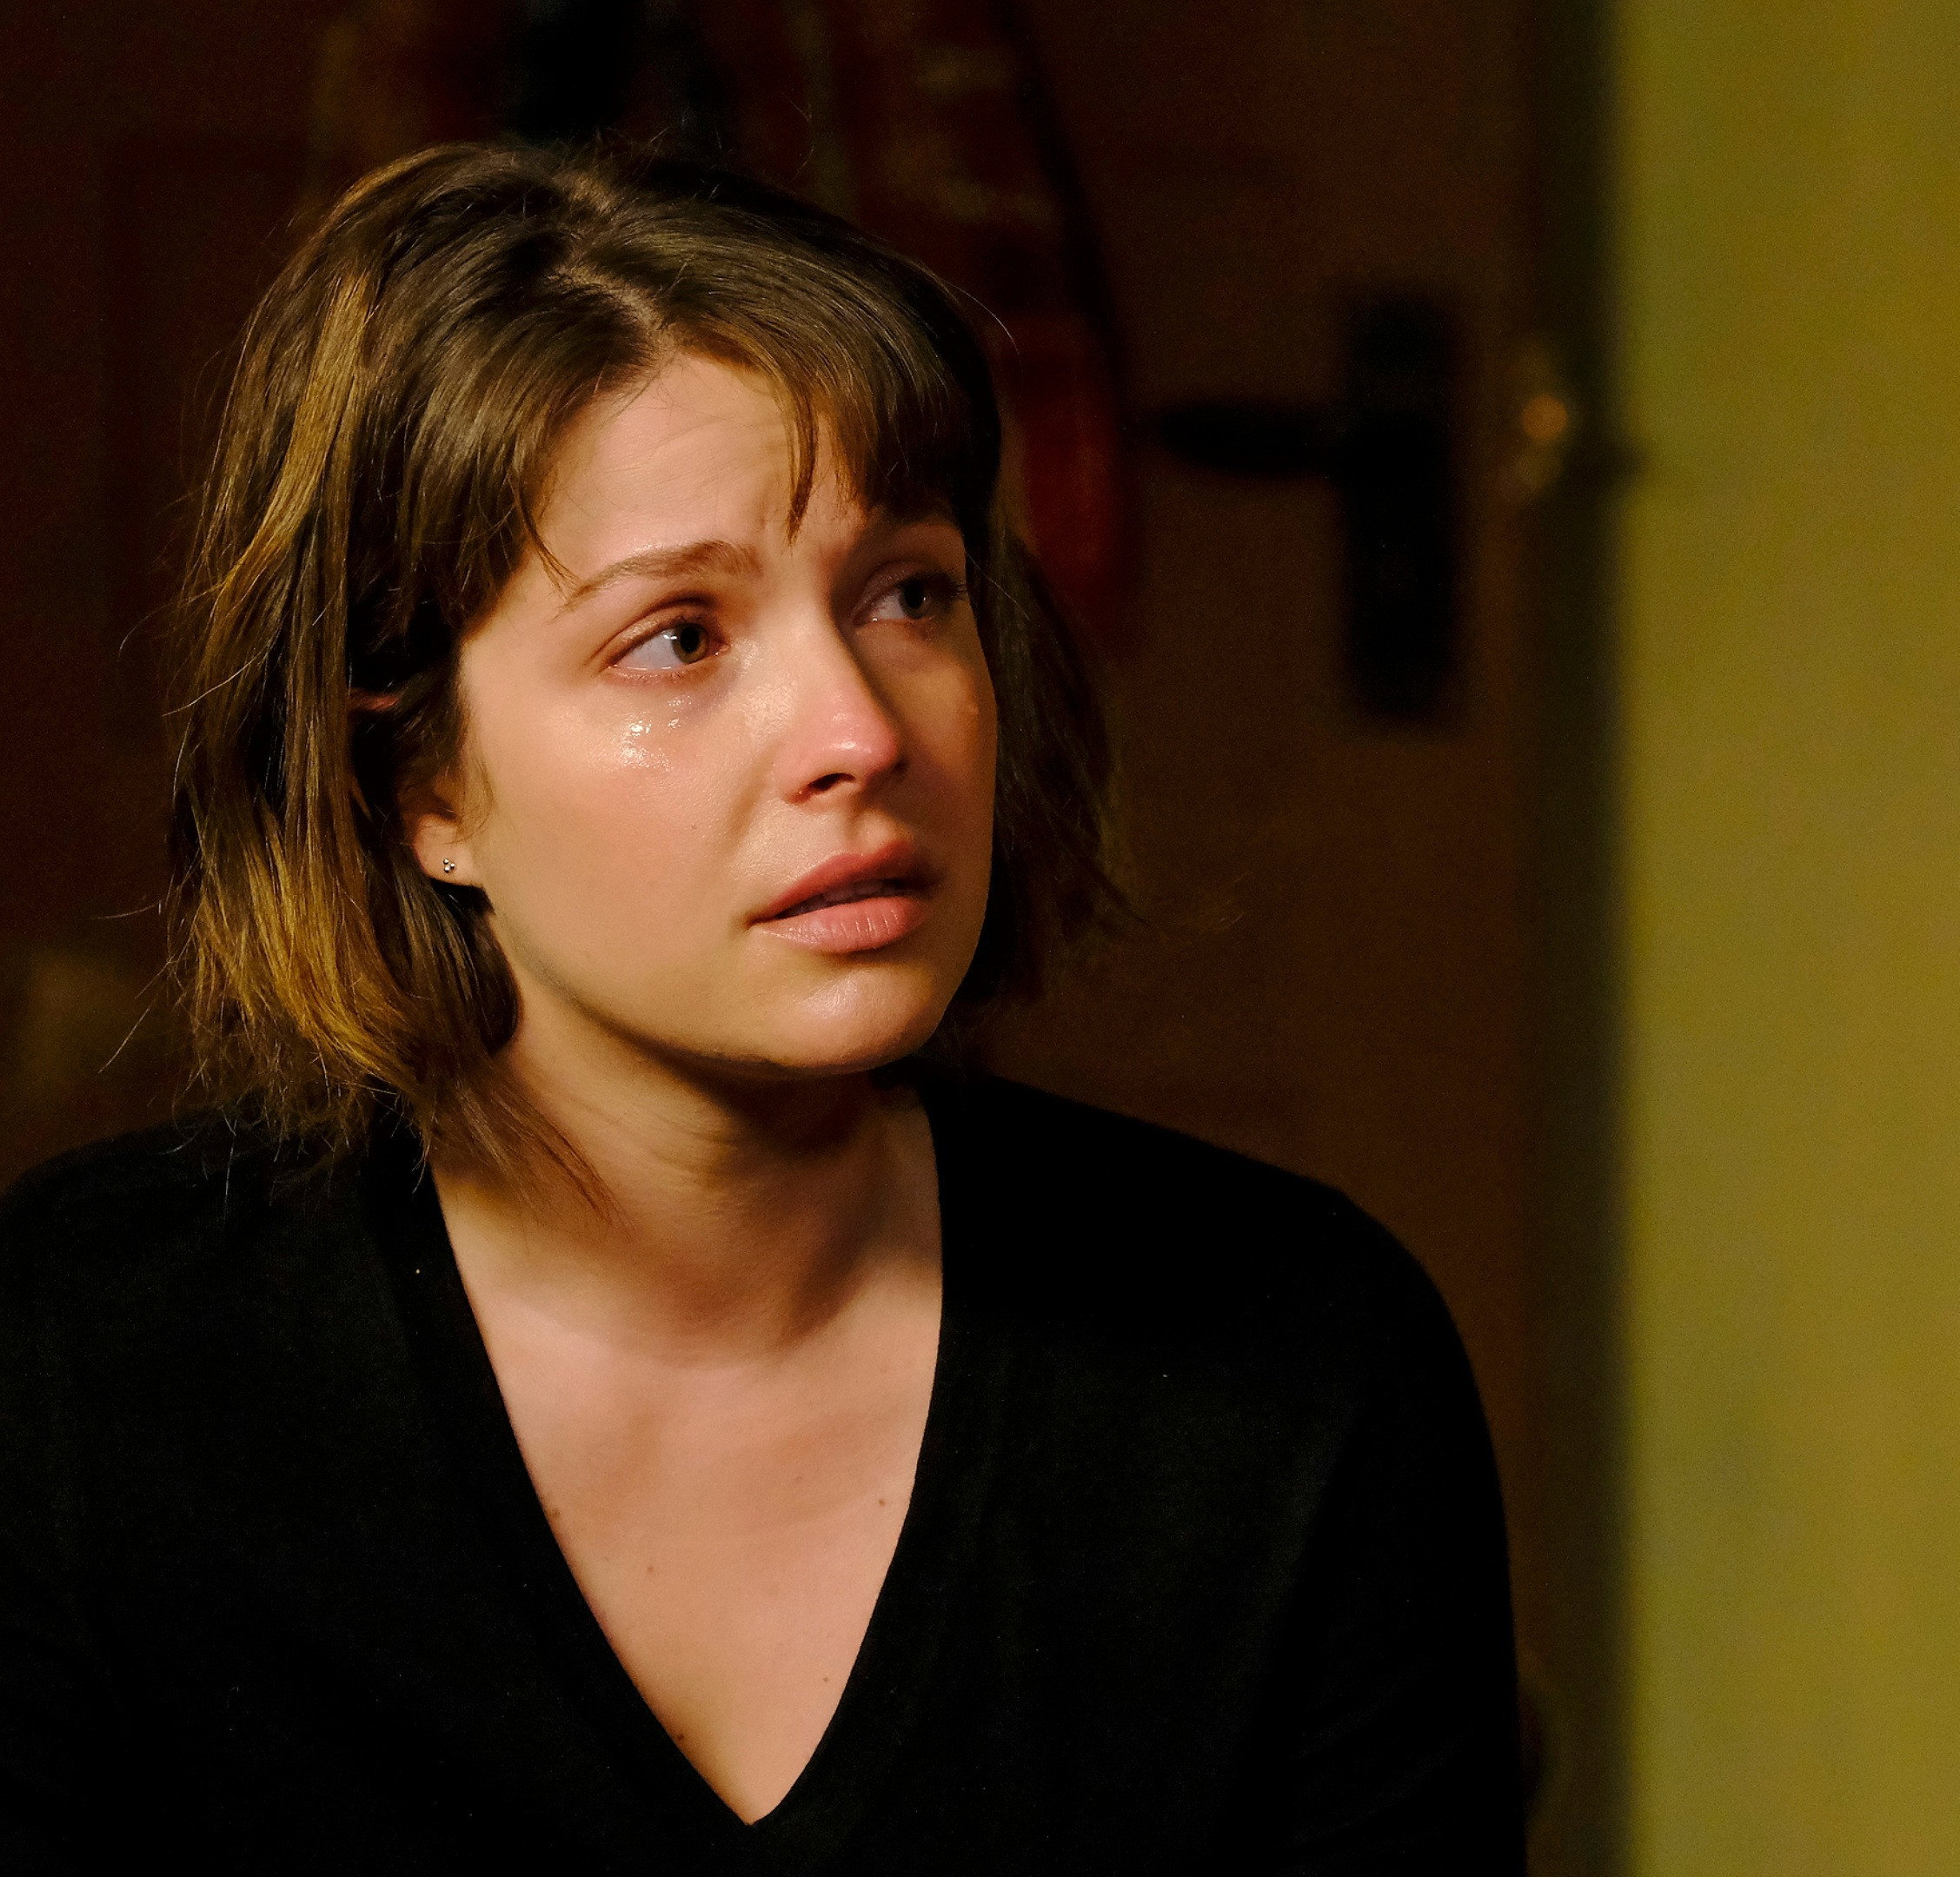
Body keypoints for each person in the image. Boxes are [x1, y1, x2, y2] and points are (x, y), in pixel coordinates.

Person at [0, 143, 1523, 1872]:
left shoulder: (1295, 1363)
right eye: (679, 638)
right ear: (419, 781)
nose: (861, 733)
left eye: (908, 594)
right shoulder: (88, 1377)